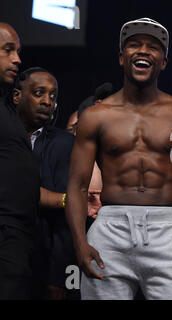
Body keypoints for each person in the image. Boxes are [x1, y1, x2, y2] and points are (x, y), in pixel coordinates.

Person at [65, 17, 172, 300]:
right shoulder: (95, 116)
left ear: (164, 62)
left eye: (153, 47)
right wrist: (80, 242)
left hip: (167, 230)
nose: (143, 51)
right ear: (122, 57)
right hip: (109, 229)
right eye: (134, 45)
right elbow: (77, 185)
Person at [12, 67, 78, 299]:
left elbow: (67, 218)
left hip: (42, 261)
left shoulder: (64, 144)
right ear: (17, 96)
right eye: (39, 93)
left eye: (53, 96)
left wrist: (59, 276)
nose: (47, 101)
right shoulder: (6, 139)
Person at [0, 22, 41, 300]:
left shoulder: (5, 106)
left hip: (16, 236)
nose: (18, 59)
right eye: (8, 50)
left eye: (18, 51)